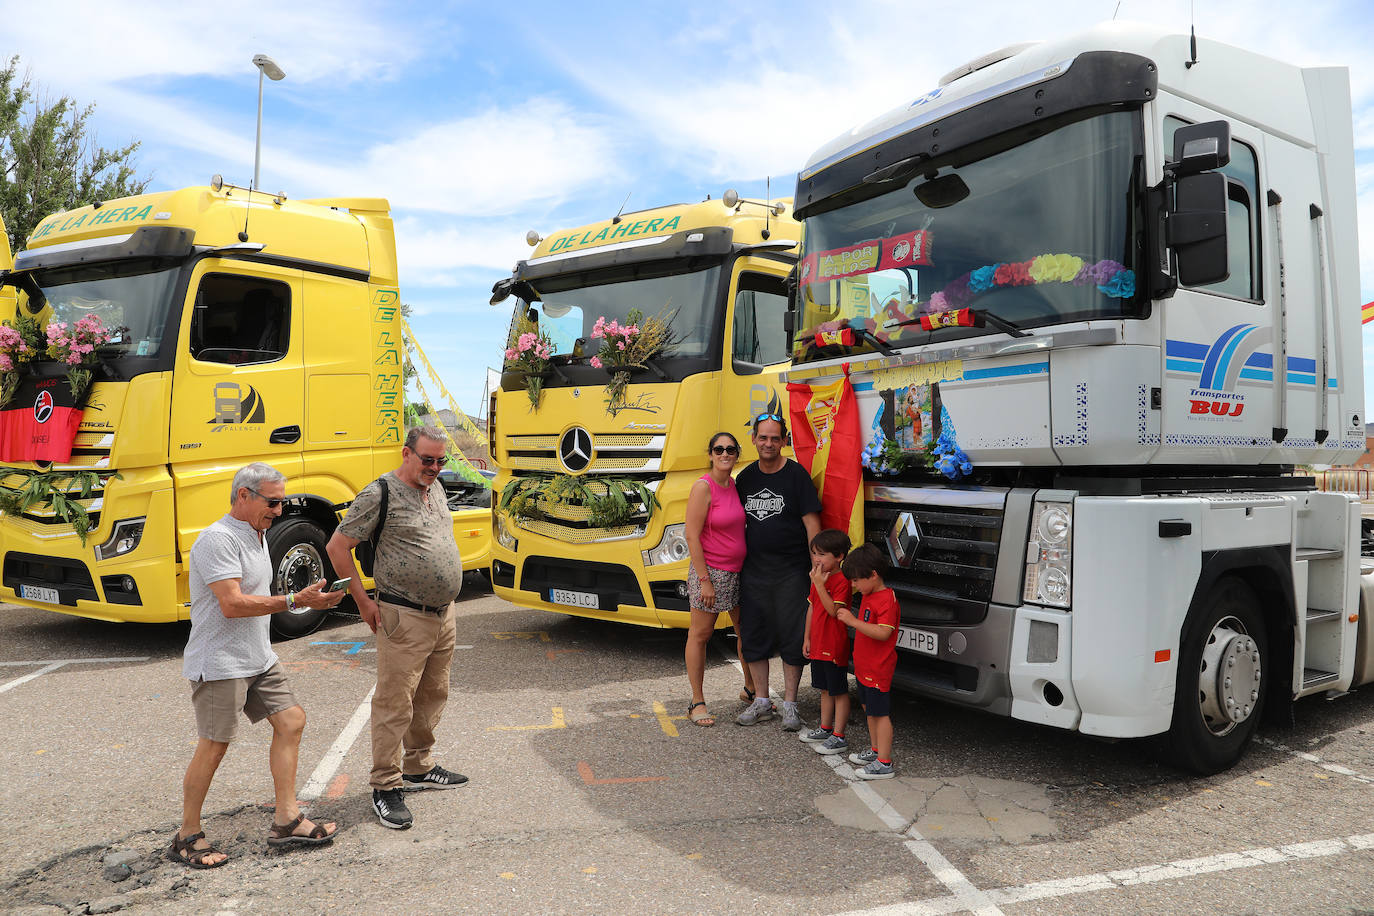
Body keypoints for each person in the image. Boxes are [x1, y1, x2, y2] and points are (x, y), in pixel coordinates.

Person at [171, 462, 344, 868]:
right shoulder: (217, 540)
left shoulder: (259, 534)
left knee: (292, 721)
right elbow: (231, 604)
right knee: (214, 747)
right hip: (220, 661)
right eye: (273, 502)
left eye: (282, 502)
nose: (279, 511)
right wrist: (296, 601)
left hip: (257, 657)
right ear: (244, 495)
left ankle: (286, 820)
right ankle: (186, 835)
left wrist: (306, 596)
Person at [326, 425, 469, 831]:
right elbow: (337, 548)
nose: (435, 467)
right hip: (403, 615)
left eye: (442, 461)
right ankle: (385, 786)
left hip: (444, 614)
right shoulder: (380, 493)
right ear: (407, 453)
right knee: (394, 703)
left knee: (432, 694)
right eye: (427, 459)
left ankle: (419, 767)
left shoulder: (435, 487)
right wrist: (363, 601)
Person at [734, 413, 821, 730]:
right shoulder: (745, 478)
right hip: (754, 571)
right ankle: (761, 701)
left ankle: (790, 705)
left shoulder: (796, 476)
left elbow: (812, 525)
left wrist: (817, 567)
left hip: (792, 572)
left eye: (775, 438)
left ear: (784, 441)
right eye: (763, 437)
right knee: (754, 637)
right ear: (754, 440)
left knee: (792, 637)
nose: (768, 443)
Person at [683, 431, 756, 727]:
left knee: (745, 631)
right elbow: (691, 534)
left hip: (738, 572)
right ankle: (697, 702)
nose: (725, 454)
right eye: (718, 449)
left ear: (737, 454)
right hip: (711, 572)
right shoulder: (704, 487)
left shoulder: (734, 485)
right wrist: (705, 580)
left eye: (730, 449)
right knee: (700, 635)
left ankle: (751, 690)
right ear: (710, 454)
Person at [837, 544, 900, 779]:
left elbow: (884, 633)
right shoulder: (869, 593)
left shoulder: (886, 599)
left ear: (873, 575)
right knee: (869, 709)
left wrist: (853, 622)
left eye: (856, 580)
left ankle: (884, 762)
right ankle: (875, 751)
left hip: (878, 667)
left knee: (880, 714)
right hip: (865, 666)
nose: (853, 585)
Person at [800, 529, 853, 755]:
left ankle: (839, 736)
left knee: (838, 690)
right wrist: (807, 637)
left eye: (822, 554)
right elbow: (812, 607)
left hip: (834, 644)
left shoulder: (842, 581)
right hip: (819, 643)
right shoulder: (818, 577)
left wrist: (820, 584)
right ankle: (825, 727)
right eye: (814, 554)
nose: (816, 559)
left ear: (839, 556)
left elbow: (833, 611)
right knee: (823, 688)